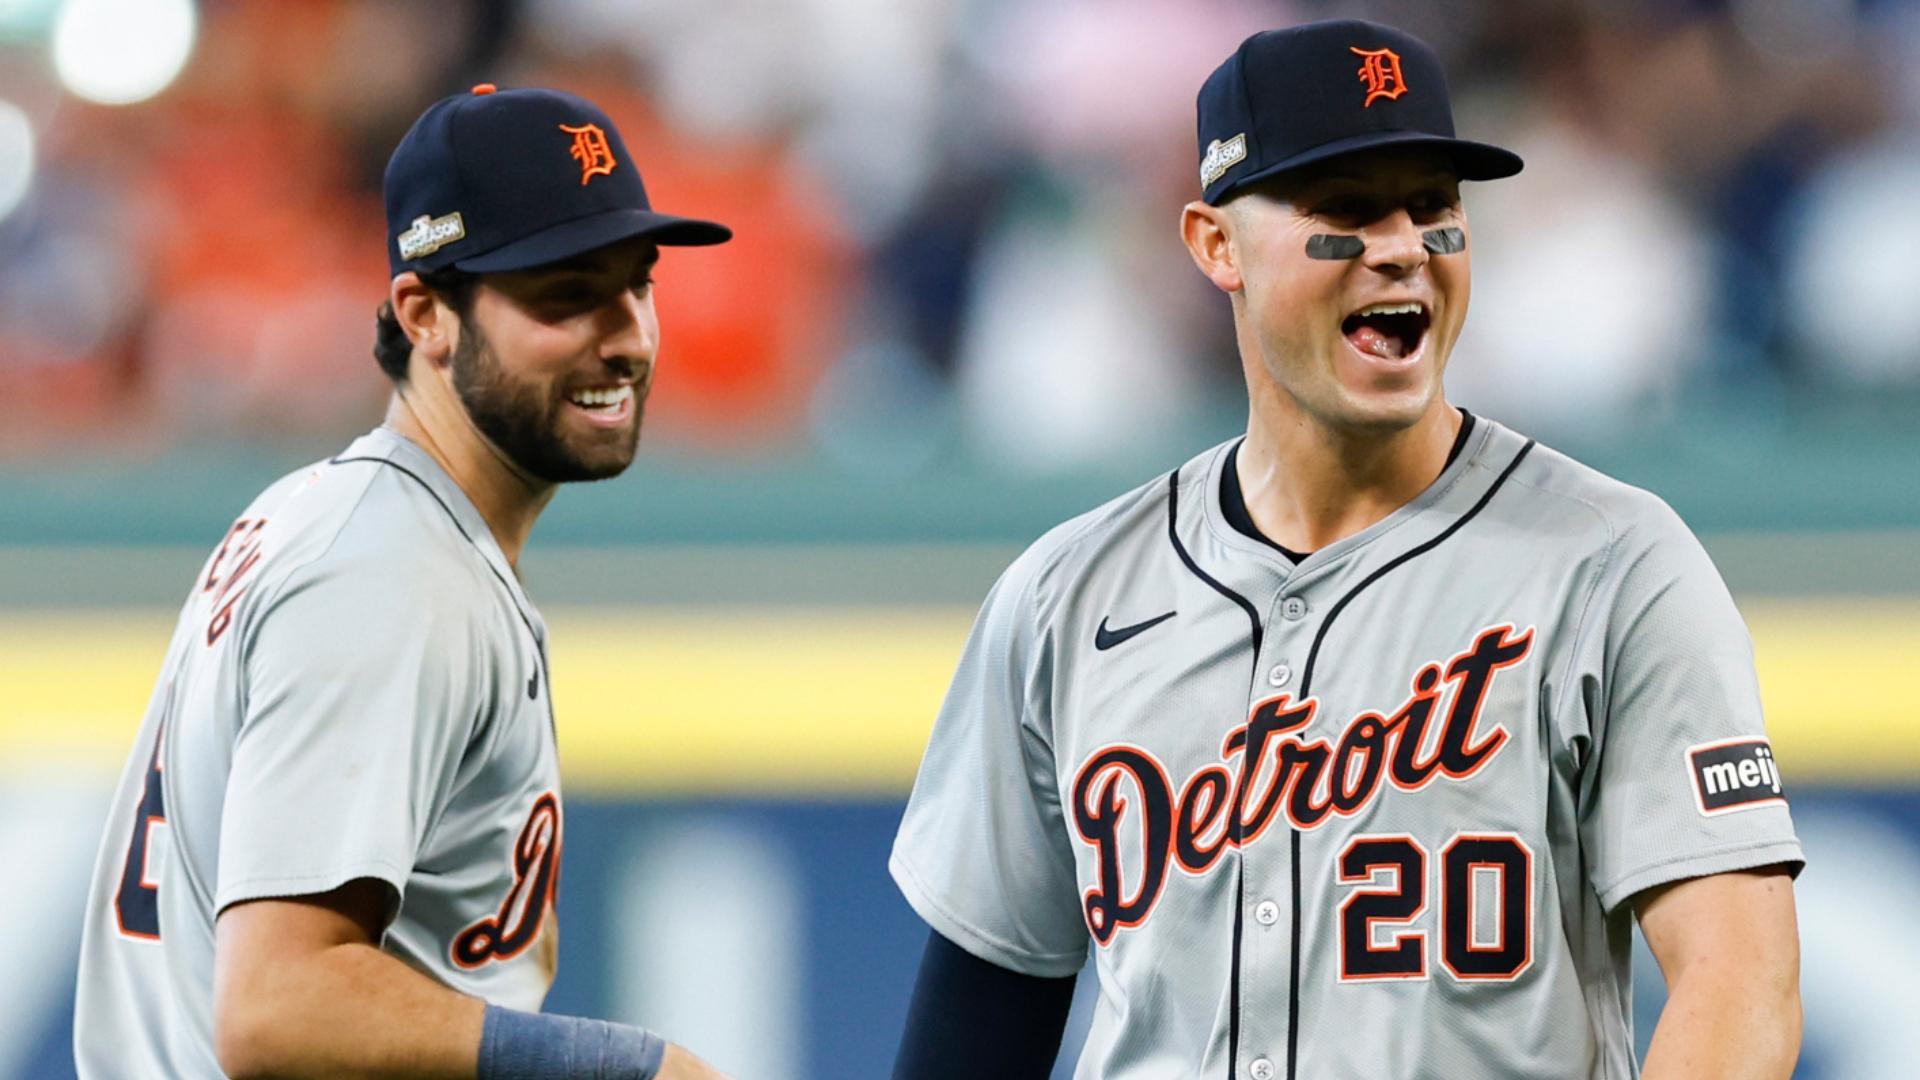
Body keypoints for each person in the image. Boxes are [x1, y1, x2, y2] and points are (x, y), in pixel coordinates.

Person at [889, 20, 1803, 1080]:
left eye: (1433, 206)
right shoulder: (1065, 597)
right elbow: (972, 1033)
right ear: (1215, 244)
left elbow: (1741, 983)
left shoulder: (1613, 564)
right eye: (1348, 209)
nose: (1404, 244)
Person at [74, 85, 733, 1079]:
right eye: (565, 293)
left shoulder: (360, 526)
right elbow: (280, 1009)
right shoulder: (383, 567)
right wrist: (636, 1069)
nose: (628, 334)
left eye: (637, 283)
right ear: (425, 314)